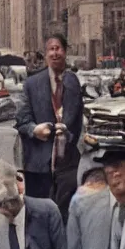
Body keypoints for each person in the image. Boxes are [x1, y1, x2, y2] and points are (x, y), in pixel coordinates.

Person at [15, 32, 83, 221]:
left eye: (58, 48)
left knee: (66, 219)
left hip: (68, 166)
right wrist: (34, 130)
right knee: (38, 220)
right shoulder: (32, 84)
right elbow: (21, 120)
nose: (55, 53)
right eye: (51, 49)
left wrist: (69, 135)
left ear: (65, 52)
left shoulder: (73, 82)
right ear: (45, 54)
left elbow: (78, 120)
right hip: (38, 166)